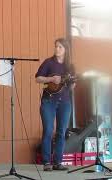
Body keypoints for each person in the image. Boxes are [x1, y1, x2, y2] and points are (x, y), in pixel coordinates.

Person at [35, 38, 76, 171]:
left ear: (66, 50)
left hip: (64, 102)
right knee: (48, 130)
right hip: (48, 100)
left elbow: (71, 87)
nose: (57, 49)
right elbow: (38, 78)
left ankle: (58, 162)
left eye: (60, 47)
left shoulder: (70, 66)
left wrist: (72, 83)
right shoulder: (49, 62)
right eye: (56, 47)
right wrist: (52, 79)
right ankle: (47, 162)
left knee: (61, 132)